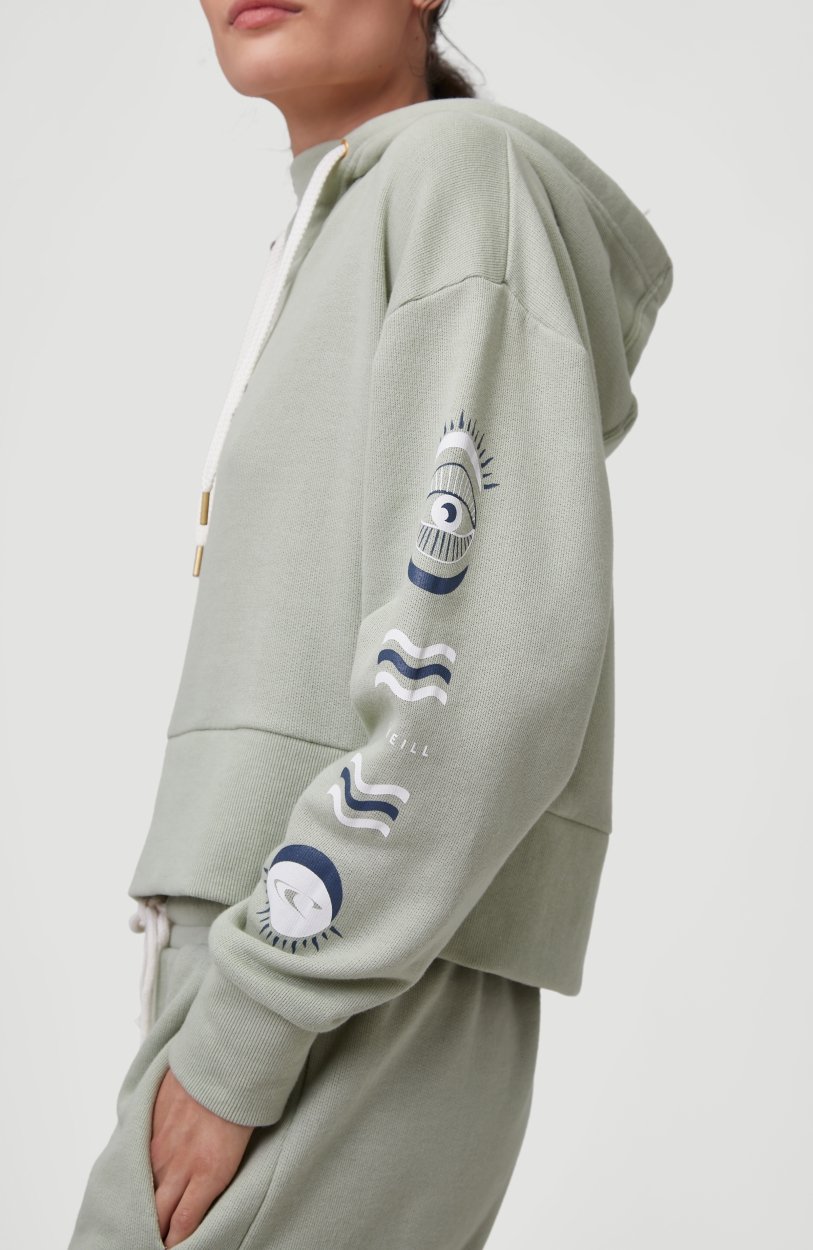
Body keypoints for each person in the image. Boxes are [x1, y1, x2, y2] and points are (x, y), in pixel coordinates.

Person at [67, 1, 673, 1247]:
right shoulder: (350, 216)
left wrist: (248, 1026)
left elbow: (488, 672)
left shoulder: (458, 176)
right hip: (306, 953)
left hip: (339, 973)